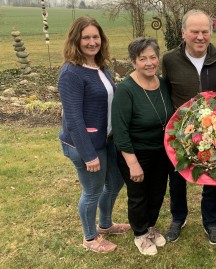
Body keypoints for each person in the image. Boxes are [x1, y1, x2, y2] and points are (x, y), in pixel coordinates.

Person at [161, 9, 216, 245]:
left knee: (212, 179)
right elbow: (164, 92)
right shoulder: (170, 60)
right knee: (177, 178)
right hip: (181, 133)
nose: (200, 37)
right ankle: (178, 217)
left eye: (205, 31)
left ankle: (210, 222)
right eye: (195, 31)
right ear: (184, 33)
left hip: (214, 132)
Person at [58, 16, 130, 253]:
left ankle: (106, 224)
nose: (92, 42)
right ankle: (90, 237)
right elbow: (74, 119)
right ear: (76, 40)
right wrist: (89, 155)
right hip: (84, 144)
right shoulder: (71, 73)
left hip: (106, 139)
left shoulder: (100, 66)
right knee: (92, 191)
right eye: (86, 37)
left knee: (116, 181)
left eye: (95, 37)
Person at [112, 37, 174, 256]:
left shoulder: (163, 83)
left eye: (153, 57)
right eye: (143, 58)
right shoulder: (126, 90)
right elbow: (120, 131)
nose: (149, 63)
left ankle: (150, 227)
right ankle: (140, 234)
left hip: (161, 151)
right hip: (135, 152)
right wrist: (132, 163)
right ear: (133, 61)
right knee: (139, 195)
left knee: (157, 193)